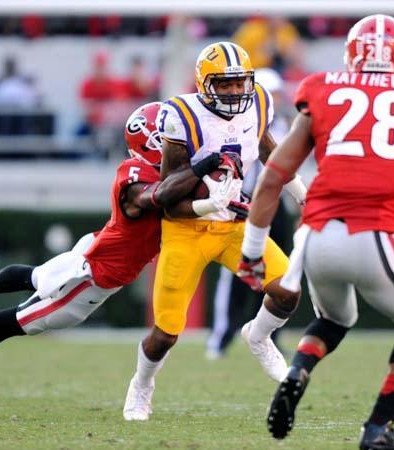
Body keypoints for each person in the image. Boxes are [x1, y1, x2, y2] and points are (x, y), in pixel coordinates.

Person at [239, 15, 394, 450]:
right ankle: (378, 426)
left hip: (315, 237)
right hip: (374, 234)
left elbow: (273, 177)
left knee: (334, 319)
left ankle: (296, 372)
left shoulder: (321, 87)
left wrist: (253, 252)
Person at [0, 102, 236, 396]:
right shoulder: (135, 173)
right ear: (154, 141)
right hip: (97, 274)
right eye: (171, 136)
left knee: (37, 277)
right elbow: (156, 198)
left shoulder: (169, 172)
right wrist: (198, 173)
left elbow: (191, 199)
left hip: (101, 249)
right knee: (26, 319)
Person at [122, 41, 307, 421]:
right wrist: (210, 202)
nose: (236, 92)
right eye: (225, 84)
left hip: (233, 228)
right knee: (165, 336)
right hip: (185, 230)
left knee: (288, 292)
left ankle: (257, 336)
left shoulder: (257, 102)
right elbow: (167, 196)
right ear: (206, 84)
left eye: (240, 83)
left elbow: (272, 152)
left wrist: (304, 195)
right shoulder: (181, 116)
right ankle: (141, 385)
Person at [205, 68, 296, 360]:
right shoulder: (237, 123)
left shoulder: (282, 124)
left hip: (275, 203)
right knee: (235, 272)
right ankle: (223, 335)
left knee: (277, 270)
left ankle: (269, 335)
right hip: (243, 200)